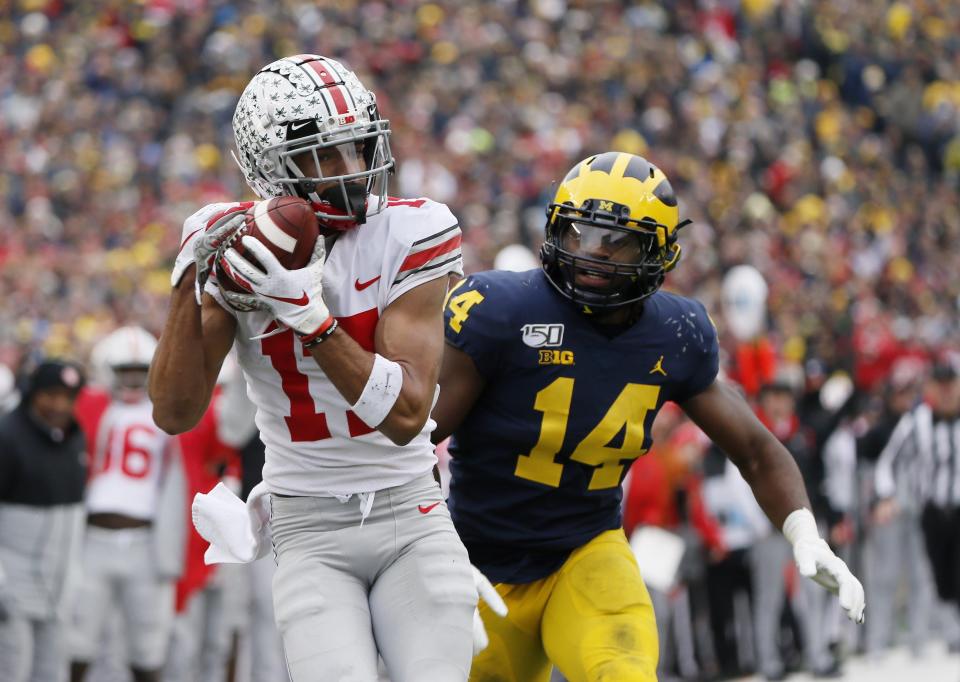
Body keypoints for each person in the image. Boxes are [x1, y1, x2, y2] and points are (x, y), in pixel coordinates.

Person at [432, 151, 866, 682]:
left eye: (616, 241)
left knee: (624, 672)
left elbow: (755, 449)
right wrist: (426, 542)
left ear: (660, 251)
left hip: (583, 552)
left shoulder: (676, 333)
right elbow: (413, 437)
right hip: (476, 558)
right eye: (579, 235)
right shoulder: (500, 309)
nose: (592, 255)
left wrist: (804, 534)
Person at [149, 54, 478, 682]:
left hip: (411, 513)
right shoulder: (242, 251)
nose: (353, 169)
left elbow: (408, 415)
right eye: (325, 156)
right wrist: (188, 280)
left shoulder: (415, 228)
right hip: (307, 527)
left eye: (356, 145)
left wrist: (311, 318)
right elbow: (173, 411)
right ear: (273, 171)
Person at [70, 326, 186, 682]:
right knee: (77, 641)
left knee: (148, 645)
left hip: (146, 542)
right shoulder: (92, 408)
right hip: (93, 539)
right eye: (125, 371)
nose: (133, 379)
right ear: (110, 370)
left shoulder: (167, 417)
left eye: (140, 371)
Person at [0, 359, 87, 682]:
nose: (59, 404)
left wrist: (75, 574)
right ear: (33, 392)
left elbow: (74, 516)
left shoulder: (74, 437)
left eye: (68, 396)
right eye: (50, 394)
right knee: (13, 669)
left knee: (52, 671)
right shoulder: (7, 434)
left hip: (58, 585)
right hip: (13, 585)